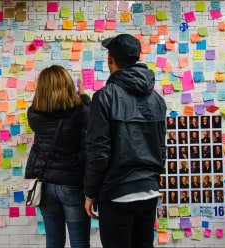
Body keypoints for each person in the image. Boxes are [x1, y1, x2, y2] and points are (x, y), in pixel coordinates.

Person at [85, 34, 166, 248]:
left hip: (117, 194)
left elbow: (98, 152)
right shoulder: (157, 99)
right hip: (149, 191)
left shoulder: (104, 97)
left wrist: (90, 193)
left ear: (110, 58)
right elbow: (161, 148)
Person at [25, 65, 91, 248]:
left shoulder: (33, 114)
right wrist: (84, 97)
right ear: (68, 86)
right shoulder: (79, 112)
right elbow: (96, 122)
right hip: (72, 184)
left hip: (45, 184)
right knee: (79, 242)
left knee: (53, 241)